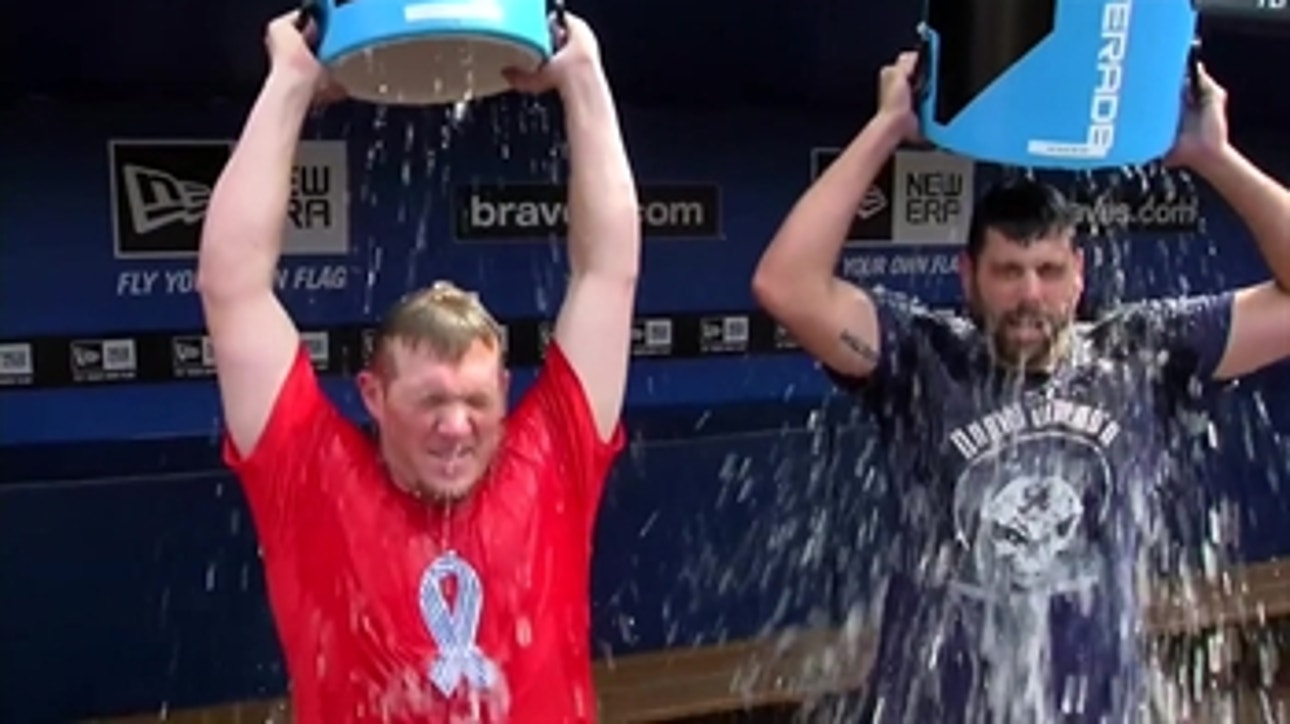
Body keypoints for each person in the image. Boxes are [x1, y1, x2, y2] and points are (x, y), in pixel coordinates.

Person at [752, 52, 1290, 723]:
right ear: (969, 274)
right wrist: (887, 127)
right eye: (1008, 271)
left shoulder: (1142, 352)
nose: (1030, 295)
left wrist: (1215, 158)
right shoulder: (923, 357)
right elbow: (786, 286)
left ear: (1079, 275)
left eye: (1048, 270)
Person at [196, 11, 639, 723]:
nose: (456, 426)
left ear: (504, 391)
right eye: (430, 401)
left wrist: (584, 80)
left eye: (475, 400)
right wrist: (289, 83)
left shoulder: (553, 458)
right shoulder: (311, 473)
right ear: (372, 395)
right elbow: (232, 288)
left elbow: (608, 275)